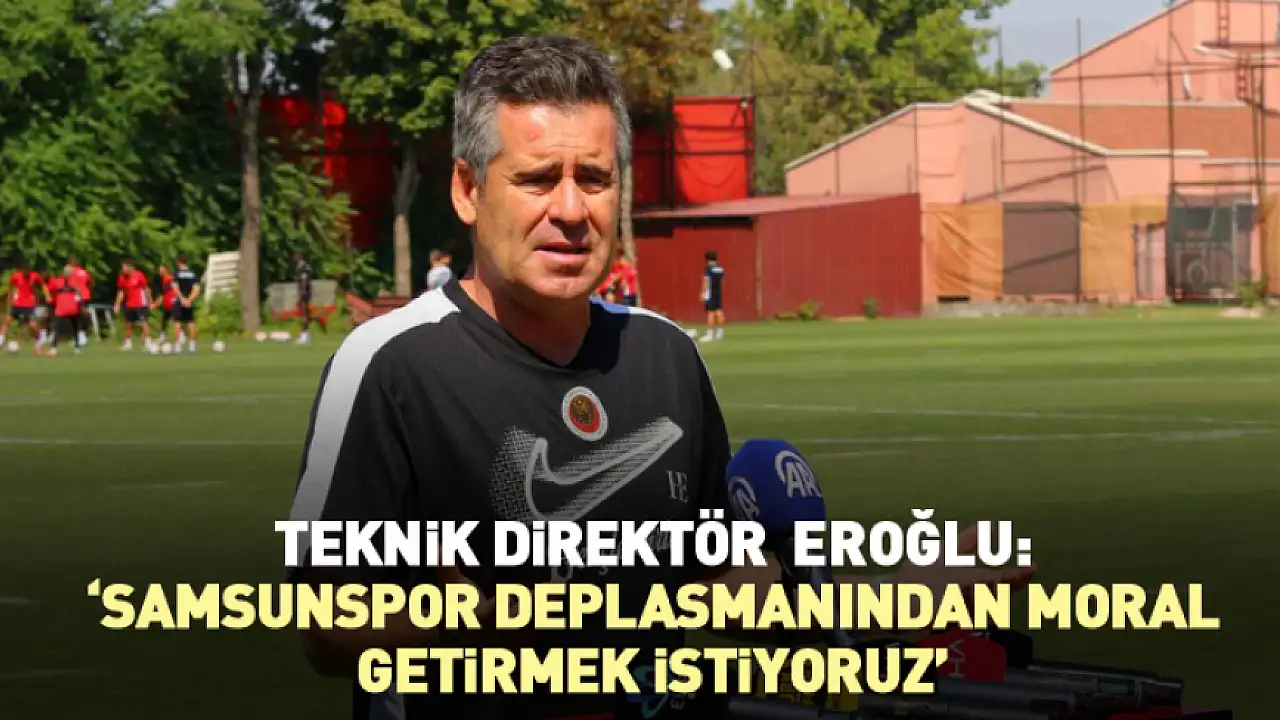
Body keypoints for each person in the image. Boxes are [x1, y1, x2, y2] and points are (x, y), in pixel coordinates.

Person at [286, 36, 1033, 720]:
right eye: (538, 179)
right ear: (467, 189)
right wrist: (470, 616)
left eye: (595, 179)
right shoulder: (391, 364)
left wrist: (896, 593)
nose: (571, 210)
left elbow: (719, 586)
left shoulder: (665, 355)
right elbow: (325, 625)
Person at [1, 259, 46, 353]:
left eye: (28, 270)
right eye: (25, 270)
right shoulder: (16, 276)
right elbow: (11, 287)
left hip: (29, 305)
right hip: (17, 304)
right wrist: (10, 298)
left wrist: (46, 295)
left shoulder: (35, 276)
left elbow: (42, 285)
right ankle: (0, 343)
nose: (26, 272)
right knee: (6, 321)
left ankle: (39, 345)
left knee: (33, 325)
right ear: (21, 269)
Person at [44, 265, 85, 356]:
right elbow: (50, 290)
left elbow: (79, 294)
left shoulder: (73, 282)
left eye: (69, 271)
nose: (67, 273)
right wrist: (51, 300)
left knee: (74, 328)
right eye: (66, 271)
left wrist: (81, 305)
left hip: (71, 308)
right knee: (58, 328)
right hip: (62, 309)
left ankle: (76, 348)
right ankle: (54, 348)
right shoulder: (58, 282)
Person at [114, 258, 153, 352]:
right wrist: (117, 304)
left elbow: (146, 289)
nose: (123, 269)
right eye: (122, 267)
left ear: (130, 267)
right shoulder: (122, 278)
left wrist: (150, 302)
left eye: (125, 267)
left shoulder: (139, 275)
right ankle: (128, 344)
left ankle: (148, 343)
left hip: (141, 304)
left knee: (144, 323)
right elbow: (121, 292)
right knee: (128, 324)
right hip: (129, 304)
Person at [171, 256, 201, 353]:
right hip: (189, 302)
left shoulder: (177, 273)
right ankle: (192, 347)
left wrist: (182, 299)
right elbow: (196, 289)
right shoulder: (193, 274)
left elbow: (175, 287)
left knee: (177, 323)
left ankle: (177, 346)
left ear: (179, 262)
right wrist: (189, 300)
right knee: (191, 322)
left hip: (179, 301)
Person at [700, 250, 725, 342]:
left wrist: (703, 292)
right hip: (718, 292)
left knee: (710, 312)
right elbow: (722, 281)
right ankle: (720, 333)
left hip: (710, 293)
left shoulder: (708, 268)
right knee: (719, 311)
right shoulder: (720, 269)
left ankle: (710, 334)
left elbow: (706, 281)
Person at [68, 256, 92, 347]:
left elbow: (72, 285)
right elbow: (90, 282)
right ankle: (80, 336)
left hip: (78, 296)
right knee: (81, 315)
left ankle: (81, 336)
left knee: (76, 316)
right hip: (86, 295)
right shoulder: (83, 271)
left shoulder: (72, 272)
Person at [153, 264, 178, 344]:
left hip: (172, 303)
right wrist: (156, 304)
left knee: (175, 320)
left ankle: (179, 337)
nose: (160, 271)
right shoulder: (163, 280)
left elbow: (165, 294)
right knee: (165, 319)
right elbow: (163, 294)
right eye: (159, 270)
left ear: (166, 270)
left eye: (162, 269)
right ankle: (163, 336)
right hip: (167, 303)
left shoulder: (169, 278)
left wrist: (156, 304)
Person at [295, 252, 313, 345]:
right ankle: (306, 333)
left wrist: (302, 293)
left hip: (304, 293)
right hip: (306, 292)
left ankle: (304, 334)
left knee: (304, 313)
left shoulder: (302, 267)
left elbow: (304, 280)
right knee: (304, 313)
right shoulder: (305, 266)